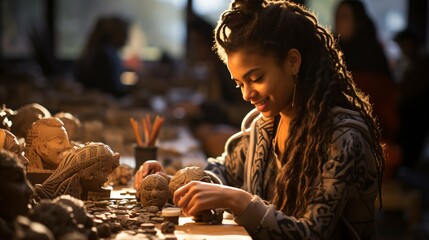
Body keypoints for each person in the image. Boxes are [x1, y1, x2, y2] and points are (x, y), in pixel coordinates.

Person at [134, 0, 385, 239]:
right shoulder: (265, 125)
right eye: (239, 83)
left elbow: (312, 233)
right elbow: (226, 170)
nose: (246, 94)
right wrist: (174, 182)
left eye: (256, 78)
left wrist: (237, 200)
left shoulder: (342, 138)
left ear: (292, 62)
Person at [334, 0, 400, 179]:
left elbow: (387, 110)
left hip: (371, 139)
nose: (338, 22)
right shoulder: (332, 51)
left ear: (359, 21)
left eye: (344, 17)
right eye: (337, 16)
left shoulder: (373, 55)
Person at [75, 15, 131, 98]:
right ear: (115, 33)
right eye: (124, 33)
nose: (127, 39)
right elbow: (111, 90)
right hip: (98, 102)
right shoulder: (104, 55)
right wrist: (133, 91)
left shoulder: (107, 51)